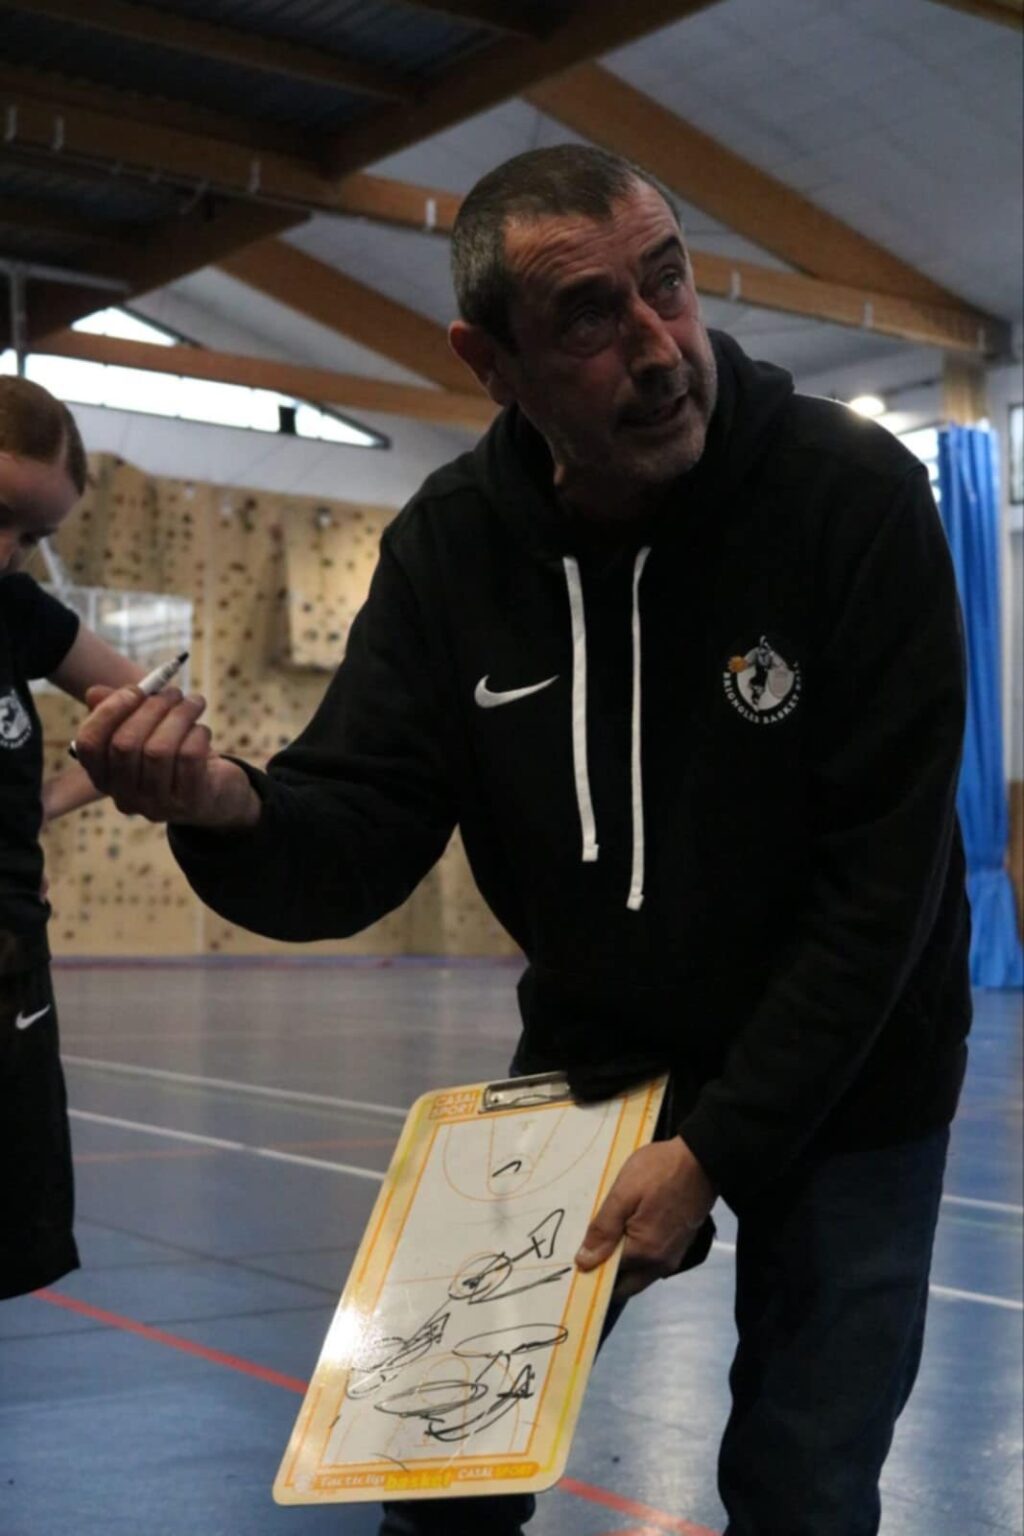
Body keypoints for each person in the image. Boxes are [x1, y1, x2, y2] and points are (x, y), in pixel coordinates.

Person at [72, 146, 971, 1536]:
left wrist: (714, 1148)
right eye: (590, 317)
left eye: (667, 284)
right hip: (597, 1062)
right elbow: (359, 829)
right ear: (488, 362)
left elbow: (880, 885)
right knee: (434, 1471)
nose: (658, 348)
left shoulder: (850, 496)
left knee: (802, 1483)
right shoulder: (452, 549)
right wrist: (225, 804)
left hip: (854, 1067)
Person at [0, 375, 148, 1300]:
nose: (7, 550)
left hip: (10, 973)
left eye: (32, 536)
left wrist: (42, 805)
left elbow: (147, 706)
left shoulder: (17, 612)